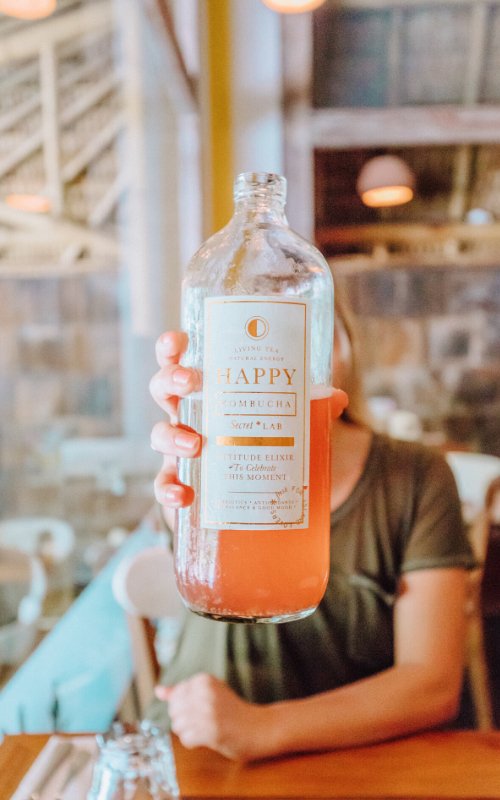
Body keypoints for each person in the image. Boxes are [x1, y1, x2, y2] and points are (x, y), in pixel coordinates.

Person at [148, 289, 475, 762]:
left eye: (295, 336)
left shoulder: (415, 477)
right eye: (248, 346)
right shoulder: (207, 463)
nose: (273, 362)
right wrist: (180, 474)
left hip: (347, 758)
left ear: (342, 351)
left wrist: (263, 728)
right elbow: (187, 536)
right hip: (197, 747)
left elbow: (433, 683)